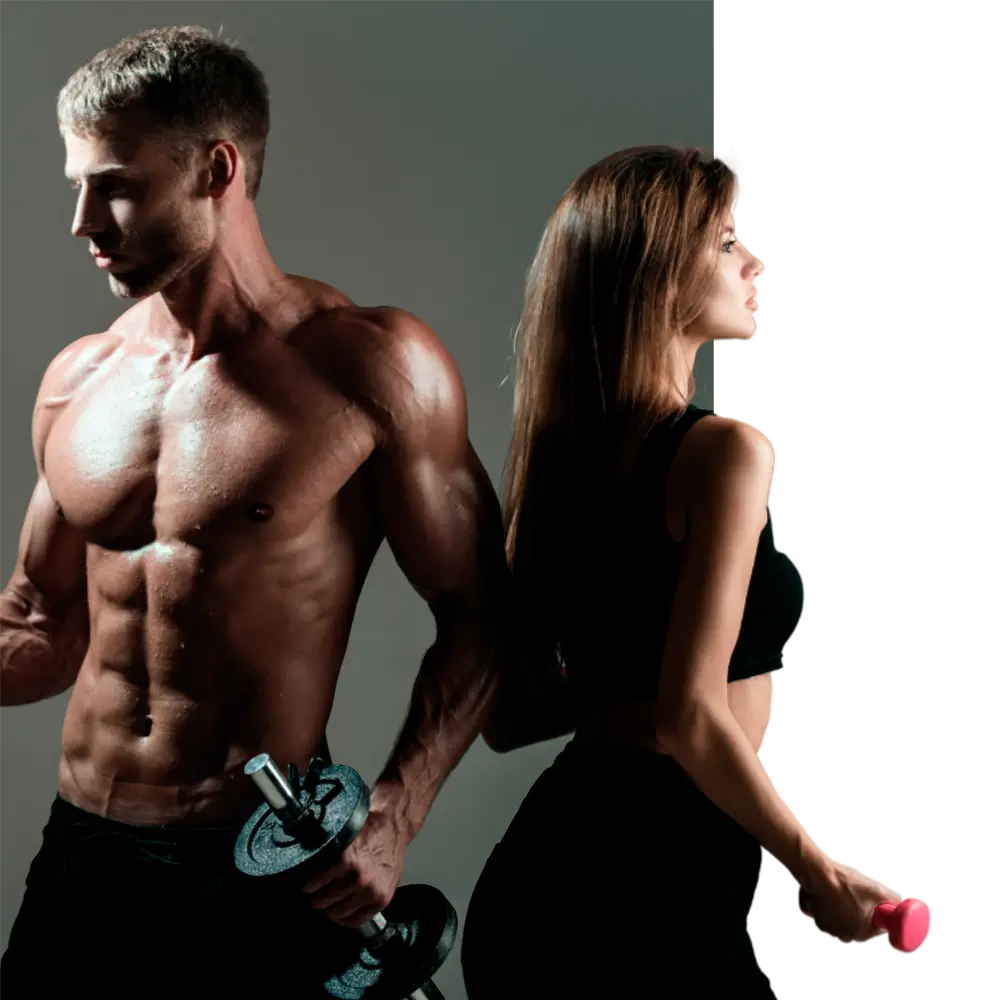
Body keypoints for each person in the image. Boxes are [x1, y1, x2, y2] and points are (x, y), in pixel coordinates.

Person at [0, 25, 509, 996]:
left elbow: (481, 614)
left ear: (215, 169)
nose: (82, 221)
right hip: (84, 853)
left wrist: (392, 820)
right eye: (76, 184)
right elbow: (37, 628)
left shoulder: (368, 367)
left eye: (113, 183)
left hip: (261, 864)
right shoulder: (80, 379)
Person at [460, 145, 899, 999]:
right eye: (729, 242)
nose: (755, 261)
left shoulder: (562, 464)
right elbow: (688, 715)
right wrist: (816, 868)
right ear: (657, 270)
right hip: (658, 893)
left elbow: (511, 717)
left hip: (552, 878)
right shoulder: (725, 453)